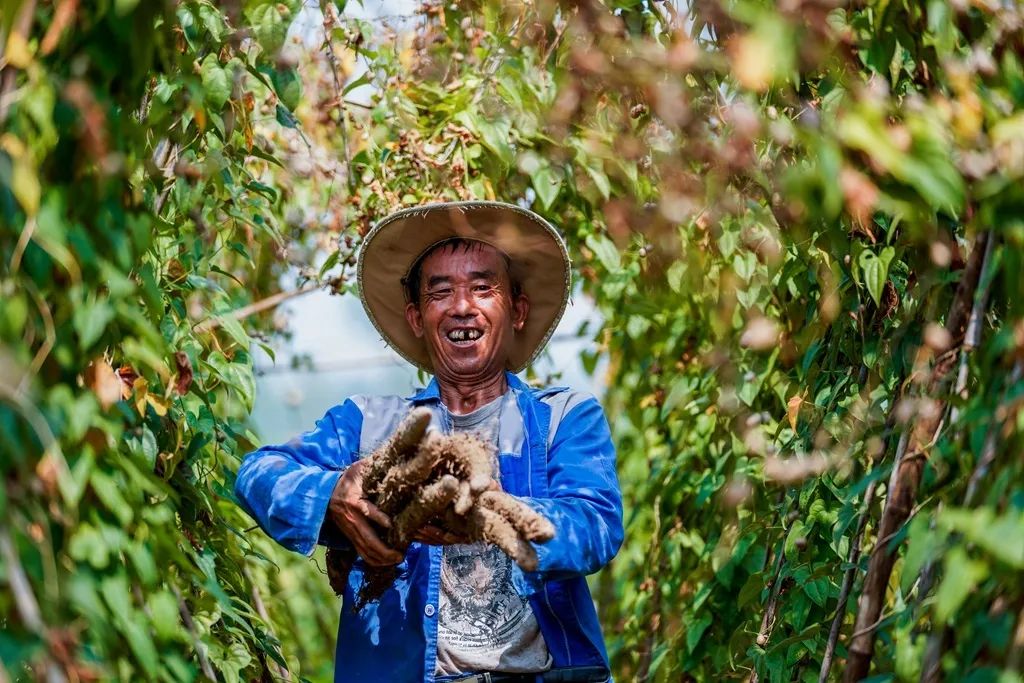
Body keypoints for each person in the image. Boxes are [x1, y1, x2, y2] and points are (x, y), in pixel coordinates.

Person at [235, 201, 623, 683]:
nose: (463, 306)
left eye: (483, 288)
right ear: (417, 318)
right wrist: (335, 495)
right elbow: (256, 472)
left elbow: (595, 524)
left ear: (517, 310)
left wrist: (488, 516)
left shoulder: (562, 418)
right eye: (441, 292)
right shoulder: (369, 424)